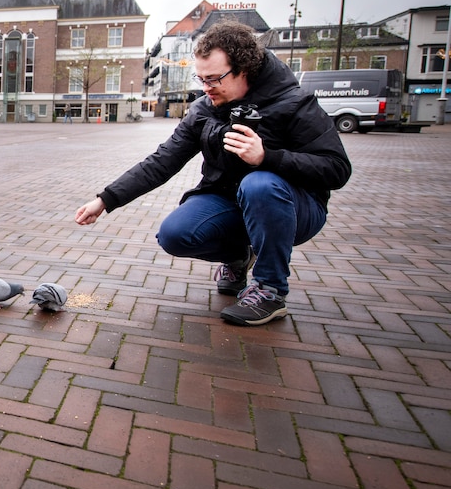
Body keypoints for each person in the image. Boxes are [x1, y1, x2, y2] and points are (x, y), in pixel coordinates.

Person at [73, 22, 352, 326]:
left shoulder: (294, 103)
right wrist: (105, 199)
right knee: (174, 234)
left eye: (214, 79)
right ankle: (237, 258)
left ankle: (270, 290)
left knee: (259, 184)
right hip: (230, 200)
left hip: (295, 209)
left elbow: (336, 169)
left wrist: (268, 157)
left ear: (244, 69)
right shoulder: (205, 108)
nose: (206, 88)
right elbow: (163, 160)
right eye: (201, 79)